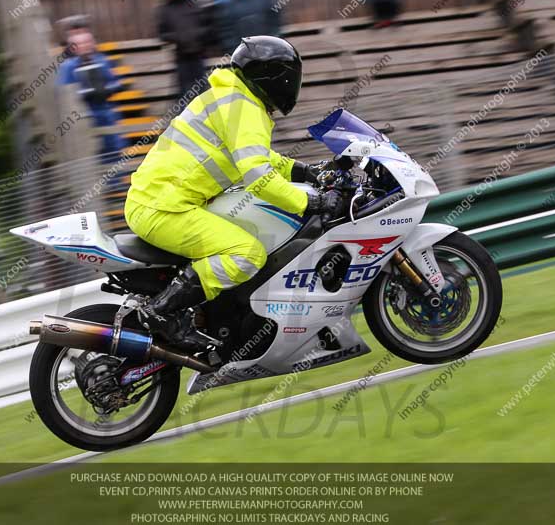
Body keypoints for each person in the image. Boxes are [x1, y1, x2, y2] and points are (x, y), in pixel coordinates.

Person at [124, 36, 342, 347]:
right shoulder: (243, 108)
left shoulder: (231, 97)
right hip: (164, 208)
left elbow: (255, 157)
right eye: (291, 77)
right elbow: (258, 178)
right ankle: (161, 312)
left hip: (160, 201)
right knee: (247, 253)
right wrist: (313, 201)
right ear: (275, 78)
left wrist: (304, 171)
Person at [57, 31, 128, 162]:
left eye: (87, 42)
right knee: (92, 155)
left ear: (93, 43)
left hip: (106, 111)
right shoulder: (68, 67)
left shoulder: (102, 61)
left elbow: (116, 82)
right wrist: (85, 93)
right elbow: (64, 94)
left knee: (115, 151)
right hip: (83, 116)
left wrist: (107, 89)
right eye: (79, 43)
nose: (85, 45)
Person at [158, 0, 208, 101]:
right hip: (181, 59)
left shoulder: (193, 4)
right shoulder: (165, 10)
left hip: (197, 56)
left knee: (204, 92)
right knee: (185, 94)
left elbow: (204, 26)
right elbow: (162, 34)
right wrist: (178, 38)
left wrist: (195, 35)